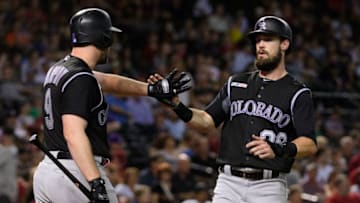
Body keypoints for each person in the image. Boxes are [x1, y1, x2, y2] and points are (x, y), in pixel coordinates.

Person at [148, 16, 318, 203]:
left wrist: (279, 149)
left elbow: (309, 143)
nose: (261, 45)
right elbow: (206, 120)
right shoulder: (236, 83)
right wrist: (177, 106)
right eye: (258, 40)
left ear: (284, 44)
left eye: (268, 39)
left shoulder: (297, 93)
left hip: (269, 186)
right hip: (228, 183)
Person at [32, 8, 191, 203]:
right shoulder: (81, 77)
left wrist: (151, 90)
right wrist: (95, 181)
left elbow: (108, 81)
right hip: (75, 172)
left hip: (49, 170)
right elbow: (73, 134)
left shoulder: (61, 69)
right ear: (102, 37)